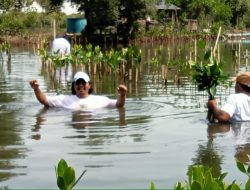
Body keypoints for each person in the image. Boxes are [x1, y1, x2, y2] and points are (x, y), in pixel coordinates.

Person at [30, 71, 127, 110]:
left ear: (89, 85)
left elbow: (119, 104)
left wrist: (122, 95)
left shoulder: (101, 100)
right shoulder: (64, 99)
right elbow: (44, 100)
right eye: (78, 82)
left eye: (83, 82)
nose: (81, 85)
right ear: (74, 85)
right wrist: (36, 89)